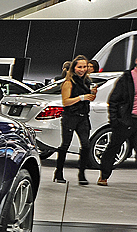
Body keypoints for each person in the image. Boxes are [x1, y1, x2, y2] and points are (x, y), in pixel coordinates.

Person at [53, 55, 96, 184]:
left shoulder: (87, 81)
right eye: (79, 67)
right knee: (65, 145)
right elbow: (65, 102)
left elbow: (90, 99)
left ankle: (82, 174)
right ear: (74, 68)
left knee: (86, 145)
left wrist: (92, 94)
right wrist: (82, 97)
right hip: (70, 117)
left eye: (84, 67)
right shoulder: (68, 82)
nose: (82, 70)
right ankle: (59, 172)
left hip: (83, 117)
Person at [97, 55, 137, 186]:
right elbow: (113, 100)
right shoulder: (126, 78)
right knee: (113, 149)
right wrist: (114, 121)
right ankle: (103, 176)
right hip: (126, 120)